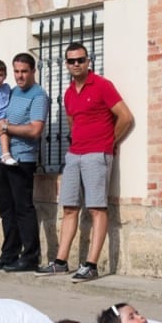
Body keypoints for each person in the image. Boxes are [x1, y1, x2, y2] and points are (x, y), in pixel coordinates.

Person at [36, 43, 134, 282]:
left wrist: (109, 142)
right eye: (71, 61)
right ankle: (60, 261)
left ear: (88, 61)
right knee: (69, 208)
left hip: (96, 154)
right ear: (66, 64)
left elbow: (125, 117)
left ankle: (91, 265)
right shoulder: (69, 93)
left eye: (80, 60)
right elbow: (72, 123)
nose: (76, 64)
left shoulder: (102, 86)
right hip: (74, 154)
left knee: (96, 208)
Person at [0, 53, 48, 273]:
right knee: (6, 209)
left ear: (33, 71)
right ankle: (9, 254)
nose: (20, 76)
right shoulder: (11, 92)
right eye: (17, 71)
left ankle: (30, 257)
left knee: (23, 208)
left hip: (22, 159)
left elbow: (35, 129)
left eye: (24, 71)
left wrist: (6, 128)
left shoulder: (38, 95)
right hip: (2, 156)